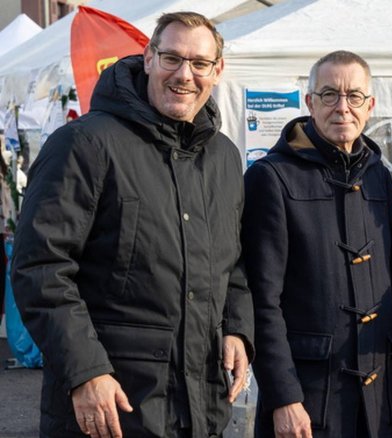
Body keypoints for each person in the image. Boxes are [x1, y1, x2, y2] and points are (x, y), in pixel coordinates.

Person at [10, 11, 254, 438]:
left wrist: (237, 329)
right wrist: (85, 372)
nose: (184, 75)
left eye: (199, 63)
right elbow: (42, 268)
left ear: (217, 71)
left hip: (200, 405)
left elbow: (231, 266)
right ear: (147, 58)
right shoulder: (84, 144)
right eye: (172, 58)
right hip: (112, 406)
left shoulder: (224, 158)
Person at [241, 50, 392, 438]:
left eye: (354, 96)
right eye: (329, 95)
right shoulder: (271, 177)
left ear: (370, 105)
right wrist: (283, 397)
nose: (342, 107)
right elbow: (261, 300)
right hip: (308, 395)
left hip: (376, 389)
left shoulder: (378, 174)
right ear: (310, 102)